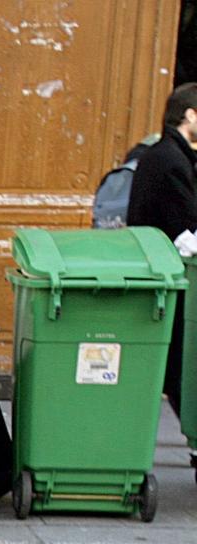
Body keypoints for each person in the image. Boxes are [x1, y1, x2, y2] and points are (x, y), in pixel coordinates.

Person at [126, 81, 197, 422]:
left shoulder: (168, 155)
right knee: (178, 363)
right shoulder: (170, 161)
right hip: (166, 274)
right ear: (190, 115)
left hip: (157, 271)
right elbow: (184, 232)